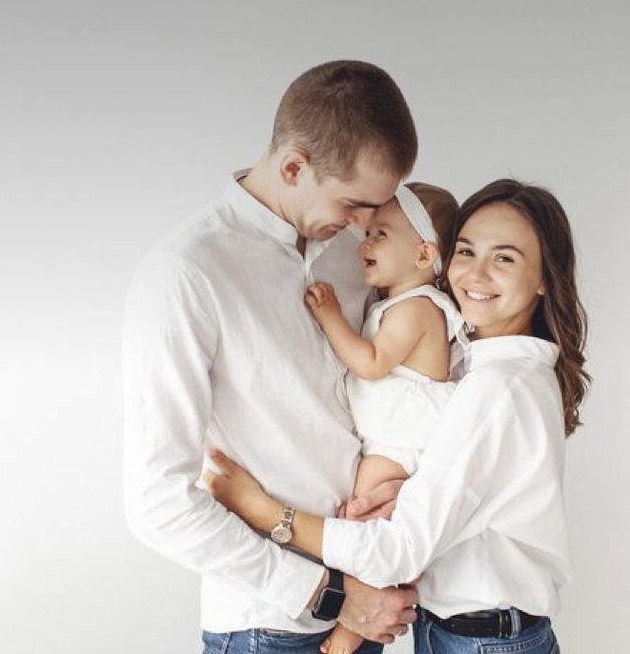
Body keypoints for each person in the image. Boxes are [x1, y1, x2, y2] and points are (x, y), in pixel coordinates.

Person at [204, 179, 591, 653]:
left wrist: (262, 511)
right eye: (467, 251)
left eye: (504, 258)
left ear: (543, 278)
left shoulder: (498, 387)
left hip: (484, 639)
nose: (475, 273)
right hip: (464, 632)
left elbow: (398, 551)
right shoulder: (475, 364)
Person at [122, 60, 421, 654]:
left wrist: (402, 490)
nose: (368, 226)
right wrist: (324, 593)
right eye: (356, 204)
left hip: (368, 614)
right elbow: (157, 503)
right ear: (293, 167)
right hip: (269, 627)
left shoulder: (353, 257)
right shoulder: (187, 273)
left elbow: (399, 391)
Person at [303, 182, 461, 654]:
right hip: (392, 440)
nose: (365, 243)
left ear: (423, 254)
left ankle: (352, 628)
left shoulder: (419, 309)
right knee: (372, 523)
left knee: (371, 527)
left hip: (402, 445)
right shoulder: (398, 304)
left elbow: (371, 361)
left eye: (381, 234)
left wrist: (331, 316)